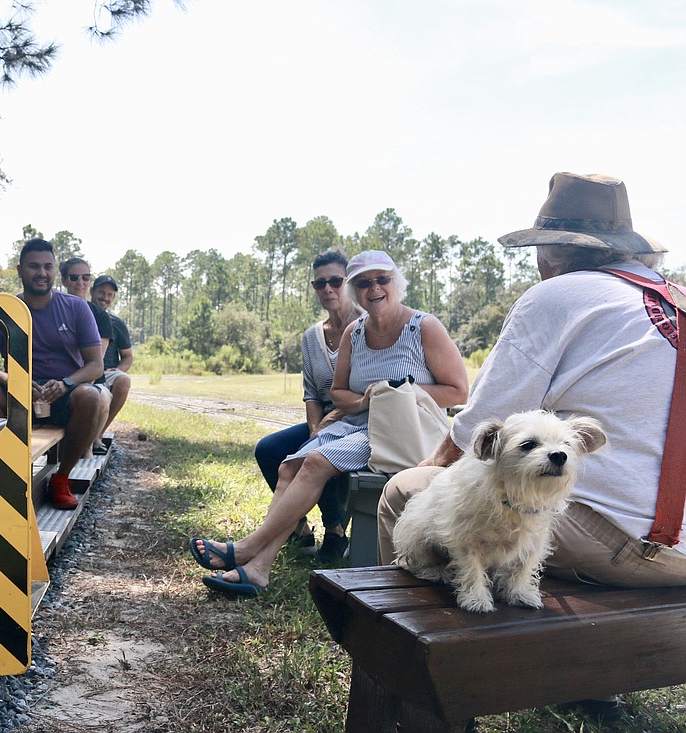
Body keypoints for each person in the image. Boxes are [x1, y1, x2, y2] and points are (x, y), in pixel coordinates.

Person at [378, 172, 685, 588]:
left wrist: (429, 465)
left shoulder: (558, 295)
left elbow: (477, 428)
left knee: (406, 491)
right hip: (679, 554)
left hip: (625, 546)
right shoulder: (677, 298)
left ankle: (407, 623)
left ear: (549, 254)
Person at [189, 250, 468, 596]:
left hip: (400, 430)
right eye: (363, 283)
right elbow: (338, 393)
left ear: (396, 282)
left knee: (315, 462)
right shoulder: (355, 332)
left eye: (382, 279)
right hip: (356, 424)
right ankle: (258, 569)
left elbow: (459, 391)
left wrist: (399, 391)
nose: (374, 288)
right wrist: (365, 400)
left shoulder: (423, 327)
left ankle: (247, 549)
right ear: (355, 291)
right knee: (289, 466)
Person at [0, 238, 109, 510]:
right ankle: (9, 475)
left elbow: (96, 365)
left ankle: (61, 478)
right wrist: (14, 381)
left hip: (64, 397)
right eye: (34, 266)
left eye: (48, 266)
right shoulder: (3, 311)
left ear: (54, 271)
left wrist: (67, 383)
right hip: (18, 397)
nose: (42, 273)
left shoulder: (76, 307)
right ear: (20, 270)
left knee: (91, 396)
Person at [253, 251, 362, 562]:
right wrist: (315, 428)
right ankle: (299, 528)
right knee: (268, 449)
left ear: (348, 282)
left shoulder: (367, 326)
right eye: (319, 283)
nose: (327, 289)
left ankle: (335, 530)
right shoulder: (311, 338)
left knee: (315, 452)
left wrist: (325, 428)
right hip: (324, 417)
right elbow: (312, 392)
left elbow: (367, 388)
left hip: (358, 418)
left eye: (335, 281)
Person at [60, 257, 113, 452]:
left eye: (86, 277)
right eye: (74, 278)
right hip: (59, 378)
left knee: (100, 397)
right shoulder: (55, 309)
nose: (80, 282)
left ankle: (87, 447)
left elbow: (96, 361)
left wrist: (73, 384)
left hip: (89, 379)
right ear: (64, 280)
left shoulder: (100, 315)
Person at [90, 274, 133, 441]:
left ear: (113, 298)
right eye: (101, 292)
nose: (105, 298)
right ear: (92, 291)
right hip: (82, 370)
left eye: (110, 295)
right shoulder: (80, 314)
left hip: (106, 372)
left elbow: (128, 356)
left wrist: (118, 369)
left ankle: (98, 433)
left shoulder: (117, 323)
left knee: (124, 380)